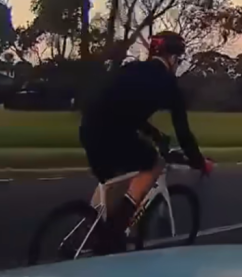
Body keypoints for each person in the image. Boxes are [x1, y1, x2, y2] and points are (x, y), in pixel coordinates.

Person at [79, 31, 212, 255]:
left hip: (88, 130)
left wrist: (155, 134)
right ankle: (115, 229)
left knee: (112, 182)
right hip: (114, 133)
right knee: (153, 164)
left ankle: (90, 229)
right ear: (173, 58)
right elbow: (184, 132)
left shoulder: (131, 69)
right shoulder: (168, 83)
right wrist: (199, 162)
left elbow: (122, 107)